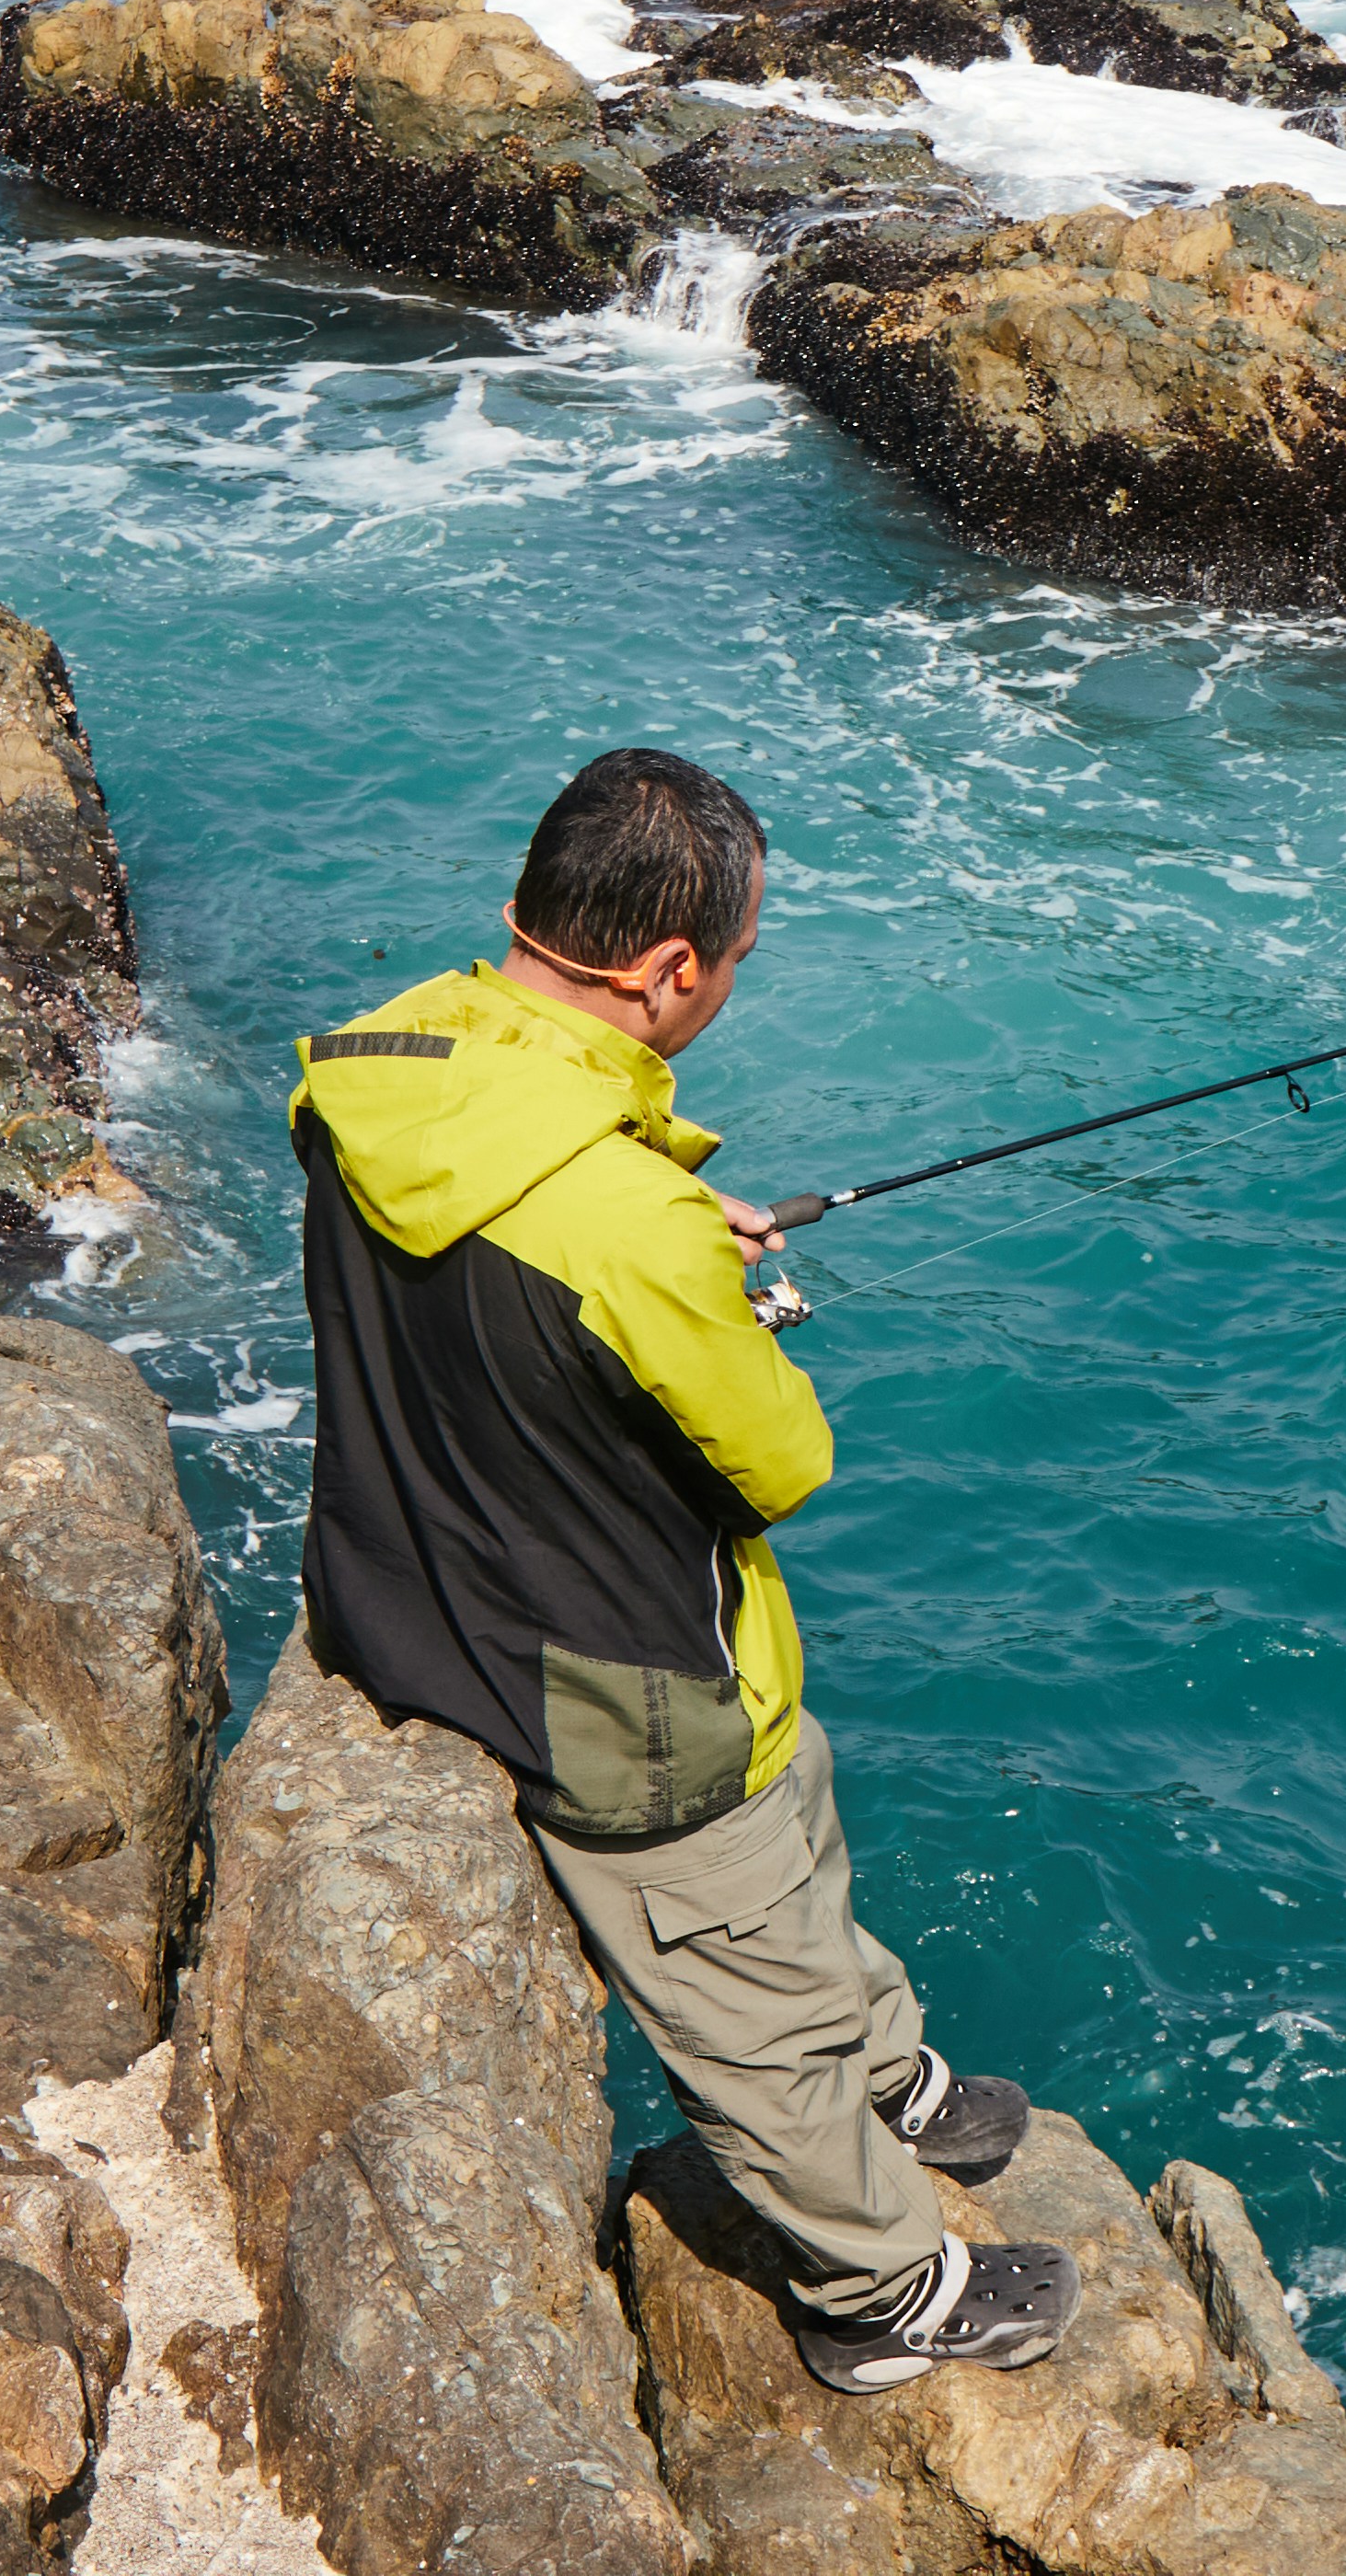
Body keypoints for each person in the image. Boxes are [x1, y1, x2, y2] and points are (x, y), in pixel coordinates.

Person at [288, 746, 1079, 2393]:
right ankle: (884, 2297)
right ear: (665, 976)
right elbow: (784, 1461)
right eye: (734, 958)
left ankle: (887, 2069)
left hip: (406, 1562)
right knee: (735, 1971)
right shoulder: (628, 1229)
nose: (730, 981)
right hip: (604, 1671)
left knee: (798, 1814)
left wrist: (654, 1221)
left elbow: (510, 1233)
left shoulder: (378, 1059)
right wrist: (695, 1272)